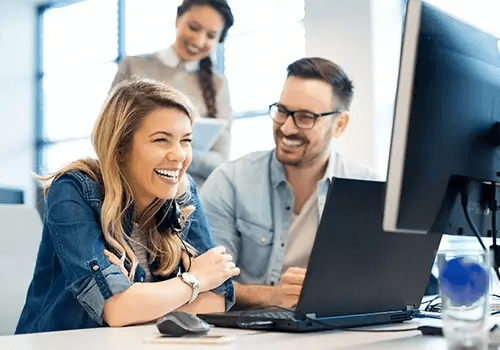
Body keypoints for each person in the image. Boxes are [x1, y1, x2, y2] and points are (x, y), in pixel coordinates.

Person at [15, 79, 239, 334]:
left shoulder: (182, 192)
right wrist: (195, 279)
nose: (179, 155)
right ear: (121, 147)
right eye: (161, 140)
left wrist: (137, 300)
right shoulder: (72, 189)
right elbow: (117, 309)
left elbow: (217, 300)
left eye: (185, 140)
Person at [199, 57, 379, 309]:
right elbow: (207, 283)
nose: (286, 127)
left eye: (305, 117)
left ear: (340, 124)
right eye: (282, 111)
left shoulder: (369, 190)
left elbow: (385, 283)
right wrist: (272, 296)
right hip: (251, 335)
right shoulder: (229, 182)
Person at [111, 0, 234, 187]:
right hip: (133, 190)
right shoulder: (133, 67)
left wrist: (172, 149)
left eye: (211, 36)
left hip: (190, 200)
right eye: (193, 27)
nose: (199, 41)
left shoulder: (218, 85)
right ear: (178, 18)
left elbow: (220, 161)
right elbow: (110, 134)